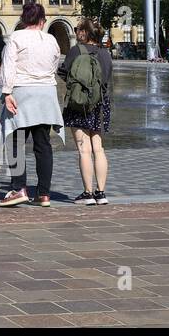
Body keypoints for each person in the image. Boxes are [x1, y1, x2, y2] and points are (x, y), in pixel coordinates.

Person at [0, 2, 64, 207]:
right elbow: (54, 65)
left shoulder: (16, 37)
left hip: (22, 92)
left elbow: (8, 66)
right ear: (42, 21)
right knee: (43, 144)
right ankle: (43, 193)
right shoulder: (52, 40)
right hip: (46, 94)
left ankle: (19, 189)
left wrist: (6, 92)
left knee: (15, 142)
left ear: (24, 20)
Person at [60, 18, 113, 205]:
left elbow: (63, 72)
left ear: (84, 32)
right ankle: (101, 193)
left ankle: (87, 193)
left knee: (84, 149)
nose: (76, 33)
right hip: (100, 104)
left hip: (79, 103)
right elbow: (106, 79)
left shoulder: (76, 51)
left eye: (77, 30)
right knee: (98, 148)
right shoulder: (106, 54)